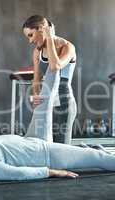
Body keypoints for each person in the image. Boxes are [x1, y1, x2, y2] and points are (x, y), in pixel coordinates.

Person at [22, 15, 77, 144]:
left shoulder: (67, 47)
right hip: (46, 104)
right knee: (44, 147)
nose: (30, 41)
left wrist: (50, 37)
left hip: (63, 105)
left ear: (42, 29)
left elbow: (55, 66)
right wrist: (35, 96)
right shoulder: (37, 52)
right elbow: (37, 80)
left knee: (61, 150)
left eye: (31, 35)